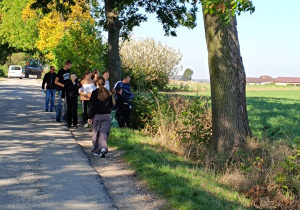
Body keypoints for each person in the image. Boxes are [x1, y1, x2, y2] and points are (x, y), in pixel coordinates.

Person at [88, 77, 113, 157]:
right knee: (104, 133)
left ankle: (95, 150)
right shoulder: (108, 93)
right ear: (105, 83)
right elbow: (111, 105)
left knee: (96, 133)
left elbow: (91, 106)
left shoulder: (94, 93)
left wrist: (90, 117)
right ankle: (103, 148)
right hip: (106, 116)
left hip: (97, 116)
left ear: (96, 83)